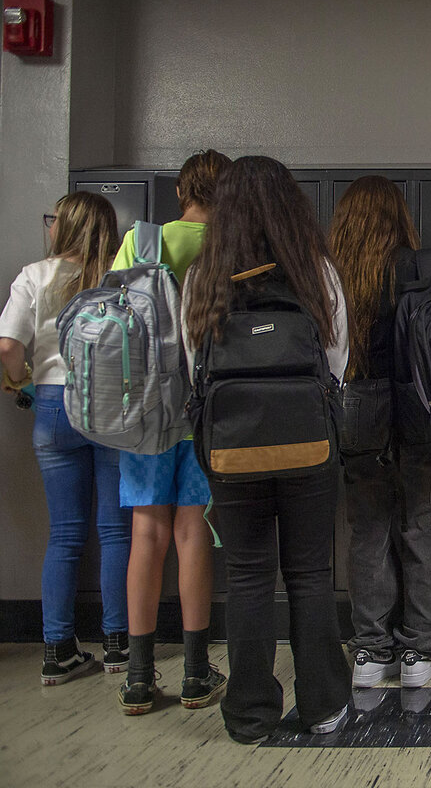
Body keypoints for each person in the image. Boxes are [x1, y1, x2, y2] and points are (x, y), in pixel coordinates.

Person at [183, 155, 351, 744]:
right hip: (310, 446)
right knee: (309, 573)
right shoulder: (317, 273)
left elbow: (194, 370)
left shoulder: (203, 279)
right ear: (290, 206)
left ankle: (250, 716)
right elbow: (338, 364)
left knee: (249, 576)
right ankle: (325, 706)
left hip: (232, 453)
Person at [328, 175, 431, 689]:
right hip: (418, 405)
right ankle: (420, 653)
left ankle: (370, 652)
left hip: (357, 404)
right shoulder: (422, 267)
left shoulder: (332, 273)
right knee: (425, 524)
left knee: (368, 528)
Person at [115, 149, 231, 714]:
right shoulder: (227, 248)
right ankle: (193, 671)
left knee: (146, 536)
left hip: (143, 415)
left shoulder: (140, 243)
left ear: (182, 191)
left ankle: (138, 676)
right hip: (202, 410)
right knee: (192, 534)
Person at [0, 192, 133, 685]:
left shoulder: (33, 276)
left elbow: (9, 345)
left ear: (66, 225)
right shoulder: (119, 279)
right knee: (116, 530)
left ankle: (58, 649)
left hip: (54, 405)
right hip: (111, 407)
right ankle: (120, 644)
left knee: (65, 533)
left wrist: (19, 379)